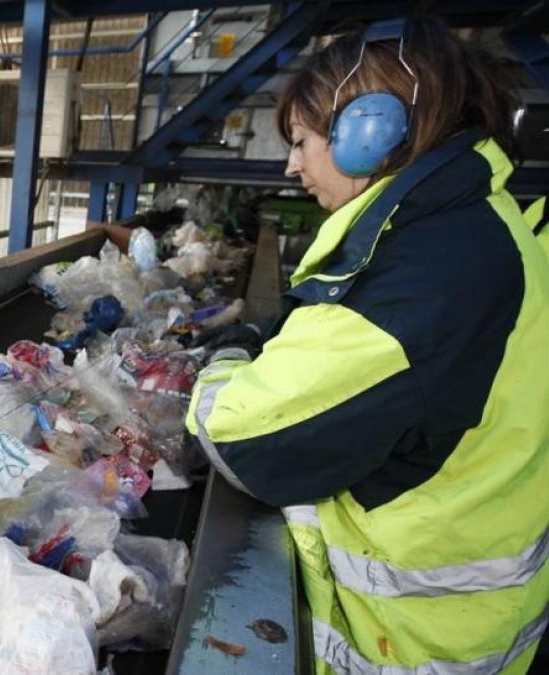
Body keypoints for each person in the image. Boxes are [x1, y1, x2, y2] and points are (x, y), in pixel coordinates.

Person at [183, 18, 549, 674]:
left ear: (369, 133)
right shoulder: (471, 226)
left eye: (300, 141)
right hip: (476, 619)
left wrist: (225, 358)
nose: (292, 165)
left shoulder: (418, 274)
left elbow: (243, 438)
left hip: (410, 645)